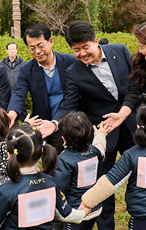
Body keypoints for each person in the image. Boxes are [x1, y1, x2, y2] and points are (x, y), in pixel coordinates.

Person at [39, 21, 136, 230]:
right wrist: (55, 124)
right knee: (102, 187)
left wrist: (123, 113)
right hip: (102, 135)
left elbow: (134, 86)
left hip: (130, 127)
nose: (82, 53)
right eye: (76, 50)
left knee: (140, 177)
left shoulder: (120, 51)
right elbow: (69, 103)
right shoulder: (74, 72)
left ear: (95, 40)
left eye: (85, 47)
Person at [0, 123, 90, 229]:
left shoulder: (6, 191)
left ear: (9, 155)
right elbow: (68, 214)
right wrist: (85, 211)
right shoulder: (51, 183)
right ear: (41, 151)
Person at [7, 24, 76, 154]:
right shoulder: (27, 70)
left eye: (40, 46)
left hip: (71, 123)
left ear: (50, 42)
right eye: (32, 48)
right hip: (45, 125)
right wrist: (11, 113)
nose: (37, 51)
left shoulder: (70, 62)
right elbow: (19, 93)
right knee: (51, 166)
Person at [80, 93, 146, 230]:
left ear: (138, 126)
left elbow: (109, 183)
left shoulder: (132, 155)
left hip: (140, 220)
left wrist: (86, 202)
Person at [55, 111, 108, 230]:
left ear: (63, 137)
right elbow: (101, 148)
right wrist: (100, 135)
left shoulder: (64, 160)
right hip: (94, 207)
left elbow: (59, 188)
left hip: (76, 212)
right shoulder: (94, 152)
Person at [0, 42, 27, 121]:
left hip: (18, 91)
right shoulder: (2, 63)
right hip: (6, 92)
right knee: (7, 114)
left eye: (14, 49)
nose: (12, 51)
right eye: (10, 49)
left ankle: (27, 129)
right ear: (7, 51)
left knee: (23, 112)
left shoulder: (22, 63)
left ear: (17, 50)